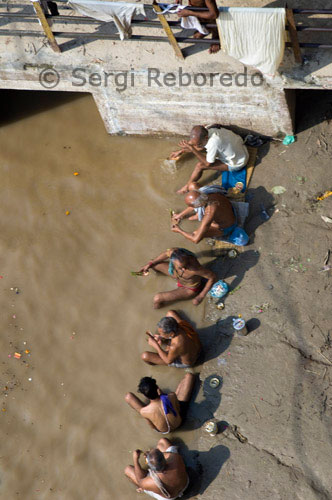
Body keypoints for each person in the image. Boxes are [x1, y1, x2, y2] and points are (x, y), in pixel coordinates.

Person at [170, 125, 249, 193]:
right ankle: (188, 185)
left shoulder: (213, 143)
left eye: (199, 143)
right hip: (242, 149)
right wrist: (181, 151)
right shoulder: (210, 130)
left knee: (200, 166)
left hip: (238, 163)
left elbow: (208, 163)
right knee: (200, 147)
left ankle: (187, 186)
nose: (197, 145)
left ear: (206, 137)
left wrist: (192, 149)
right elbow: (198, 144)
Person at [171, 183, 248, 245]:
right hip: (229, 210)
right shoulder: (207, 193)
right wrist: (180, 215)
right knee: (192, 185)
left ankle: (227, 232)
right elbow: (197, 203)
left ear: (199, 206)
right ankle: (195, 216)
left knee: (196, 233)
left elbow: (195, 239)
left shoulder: (209, 212)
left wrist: (179, 230)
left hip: (227, 226)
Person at [138, 247, 216, 308]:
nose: (184, 269)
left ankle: (156, 310)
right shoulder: (175, 252)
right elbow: (166, 254)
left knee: (157, 299)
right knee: (154, 265)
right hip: (177, 276)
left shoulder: (194, 268)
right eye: (181, 267)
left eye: (185, 266)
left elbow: (212, 277)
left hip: (188, 288)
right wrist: (149, 264)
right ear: (172, 260)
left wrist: (201, 296)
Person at [125, 373, 196, 433]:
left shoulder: (143, 412)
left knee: (128, 397)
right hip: (179, 422)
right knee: (189, 376)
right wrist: (163, 396)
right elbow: (178, 409)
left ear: (145, 396)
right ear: (157, 388)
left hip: (164, 431)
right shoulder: (171, 396)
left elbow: (152, 427)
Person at [124, 438, 189, 500]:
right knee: (163, 441)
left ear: (150, 467)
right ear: (163, 457)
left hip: (170, 497)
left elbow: (140, 481)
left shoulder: (151, 482)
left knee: (128, 470)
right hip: (185, 484)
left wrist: (135, 460)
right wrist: (153, 456)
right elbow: (163, 456)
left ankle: (141, 489)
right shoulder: (175, 458)